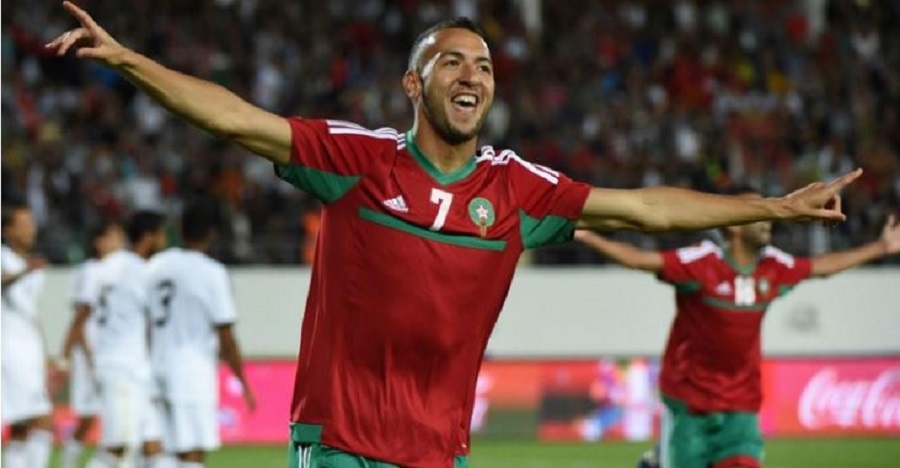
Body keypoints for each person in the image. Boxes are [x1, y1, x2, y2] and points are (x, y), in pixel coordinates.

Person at [47, 3, 861, 466]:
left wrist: (770, 207)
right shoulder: (358, 160)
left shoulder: (516, 189)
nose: (473, 75)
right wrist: (129, 60)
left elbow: (647, 208)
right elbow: (236, 119)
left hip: (439, 449)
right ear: (415, 83)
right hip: (339, 442)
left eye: (485, 66)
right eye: (452, 62)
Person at [574, 185, 900, 468]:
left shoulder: (773, 265)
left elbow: (820, 267)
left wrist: (881, 248)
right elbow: (639, 259)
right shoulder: (703, 262)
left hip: (741, 409)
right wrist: (588, 235)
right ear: (733, 225)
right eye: (756, 212)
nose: (767, 219)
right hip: (690, 406)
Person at [146, 198, 256, 467]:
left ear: (180, 228)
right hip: (191, 373)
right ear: (212, 233)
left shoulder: (155, 265)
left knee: (167, 450)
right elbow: (226, 334)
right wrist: (243, 381)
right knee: (192, 452)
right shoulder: (212, 273)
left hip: (156, 369)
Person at [88, 210, 169, 468]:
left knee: (153, 444)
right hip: (123, 368)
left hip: (130, 365)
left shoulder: (110, 265)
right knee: (119, 446)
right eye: (161, 234)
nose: (165, 240)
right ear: (149, 236)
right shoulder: (142, 271)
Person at [59, 219, 126, 468]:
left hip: (112, 353)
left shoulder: (121, 269)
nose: (119, 241)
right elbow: (82, 315)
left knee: (116, 418)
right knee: (88, 418)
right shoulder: (90, 271)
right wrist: (82, 352)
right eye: (113, 235)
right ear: (99, 242)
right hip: (91, 353)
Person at [1, 202, 54, 468]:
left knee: (21, 429)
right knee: (42, 422)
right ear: (7, 230)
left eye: (31, 224)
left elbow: (32, 313)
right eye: (22, 225)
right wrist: (24, 272)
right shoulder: (4, 257)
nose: (29, 230)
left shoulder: (30, 264)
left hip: (28, 350)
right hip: (10, 351)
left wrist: (44, 353)